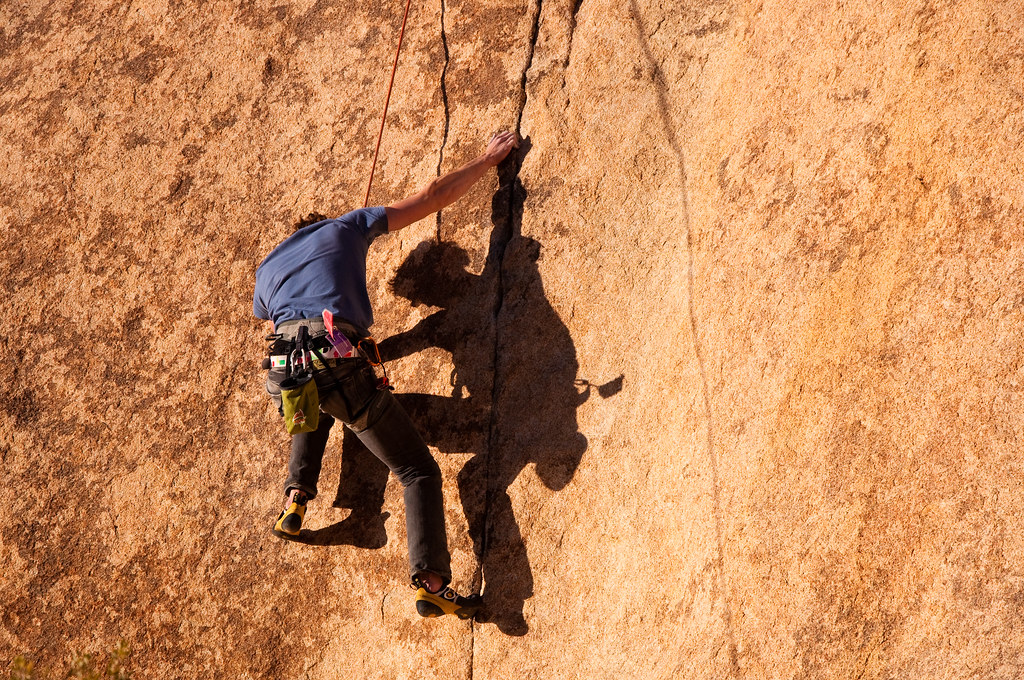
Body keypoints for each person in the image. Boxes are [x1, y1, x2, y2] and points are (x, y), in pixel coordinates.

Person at [252, 131, 517, 620]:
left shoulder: (266, 271)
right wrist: (487, 160)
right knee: (417, 469)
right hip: (338, 357)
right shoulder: (348, 226)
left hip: (286, 366)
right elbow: (431, 196)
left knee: (312, 399)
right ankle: (432, 582)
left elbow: (275, 323)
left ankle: (295, 498)